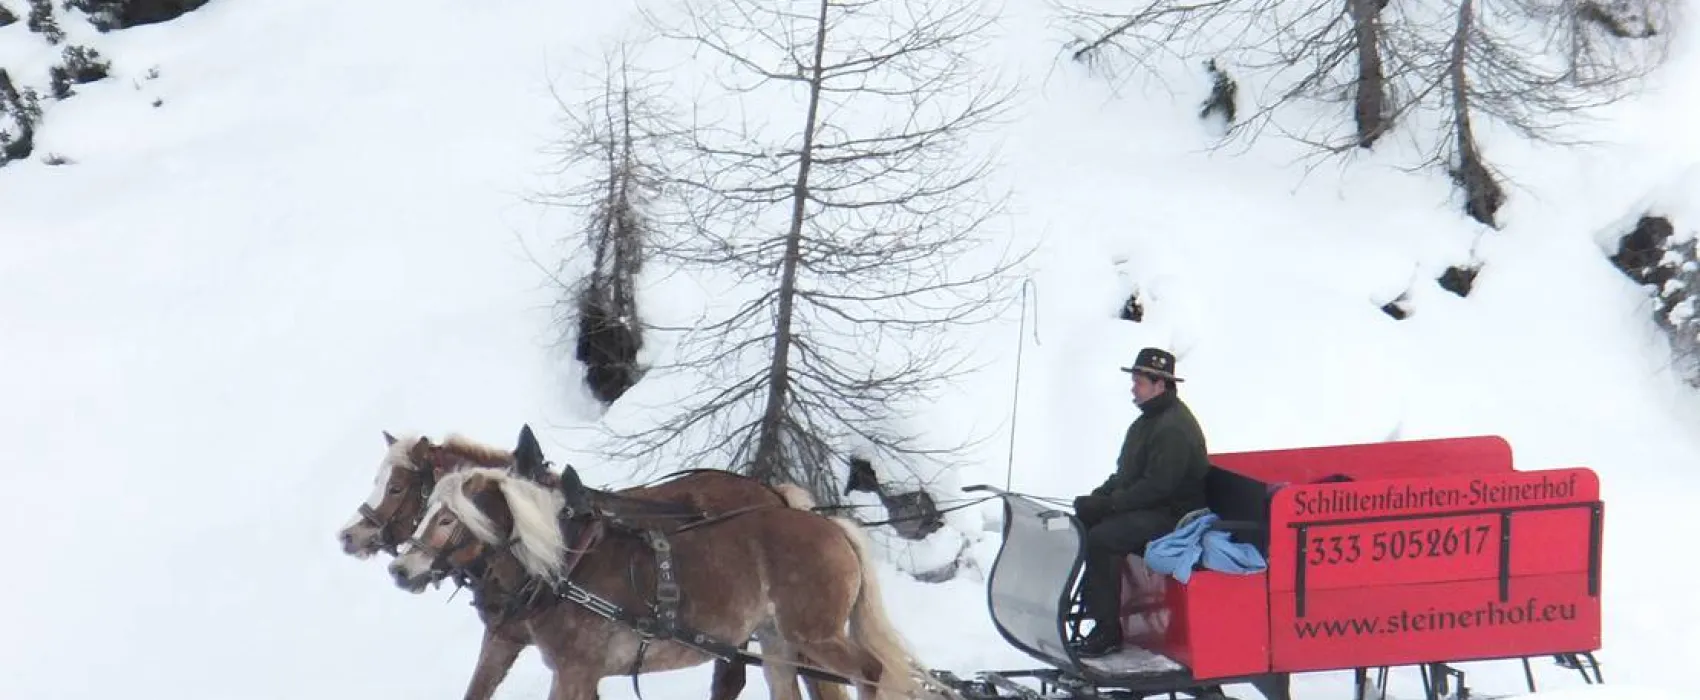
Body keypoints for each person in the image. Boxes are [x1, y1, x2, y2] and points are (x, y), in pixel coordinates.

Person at [1070, 347, 1211, 658]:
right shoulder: (1146, 421)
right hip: (1151, 506)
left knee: (1104, 539)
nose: (1133, 388)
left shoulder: (1173, 427)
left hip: (1175, 517)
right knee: (1085, 523)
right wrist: (1099, 497)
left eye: (1139, 381)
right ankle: (1092, 612)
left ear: (1160, 384)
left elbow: (1158, 487)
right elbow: (1126, 474)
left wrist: (1109, 506)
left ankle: (1108, 631)